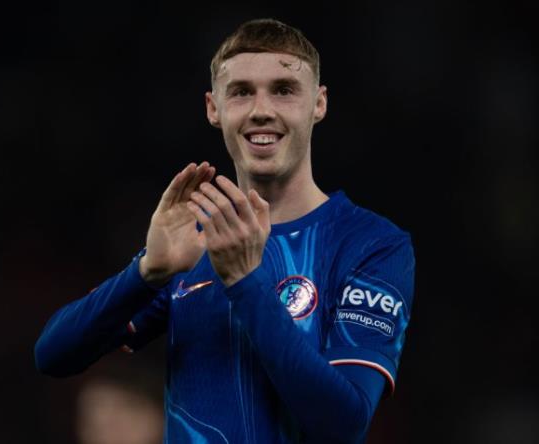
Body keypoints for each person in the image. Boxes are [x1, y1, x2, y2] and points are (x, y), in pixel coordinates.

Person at [35, 18, 415, 443]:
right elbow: (53, 354)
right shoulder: (196, 240)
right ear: (214, 108)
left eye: (284, 90)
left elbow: (342, 425)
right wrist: (145, 273)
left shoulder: (371, 243)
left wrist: (245, 281)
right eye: (241, 92)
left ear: (319, 103)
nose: (261, 110)